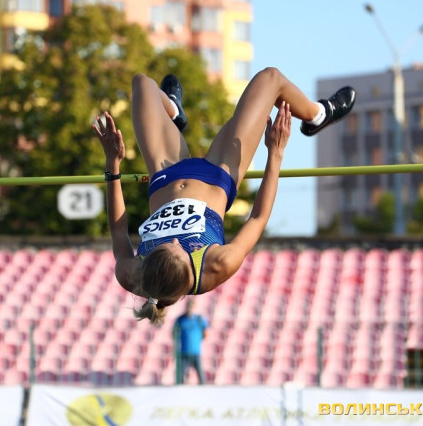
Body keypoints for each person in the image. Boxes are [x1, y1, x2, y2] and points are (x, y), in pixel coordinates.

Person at [93, 67, 355, 325]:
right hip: (219, 173)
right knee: (270, 78)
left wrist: (112, 165)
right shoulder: (217, 264)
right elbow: (257, 218)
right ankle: (318, 115)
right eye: (179, 248)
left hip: (164, 172)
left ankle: (173, 110)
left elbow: (118, 230)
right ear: (188, 270)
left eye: (163, 244)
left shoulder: (132, 274)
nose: (174, 239)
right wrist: (275, 153)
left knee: (142, 83)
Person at [173, 299, 209, 384]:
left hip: (195, 352)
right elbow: (174, 333)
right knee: (181, 376)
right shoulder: (180, 319)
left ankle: (203, 390)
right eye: (189, 306)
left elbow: (206, 333)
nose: (190, 308)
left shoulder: (199, 319)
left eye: (192, 306)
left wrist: (197, 339)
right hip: (184, 352)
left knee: (200, 375)